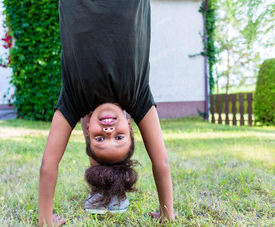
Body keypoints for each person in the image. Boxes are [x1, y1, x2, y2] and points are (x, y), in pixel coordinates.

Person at [38, 0, 175, 226]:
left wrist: (45, 219)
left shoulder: (74, 99)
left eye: (100, 138)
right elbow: (161, 163)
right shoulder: (138, 97)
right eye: (119, 137)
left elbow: (48, 165)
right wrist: (167, 213)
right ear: (131, 129)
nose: (109, 130)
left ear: (88, 133)